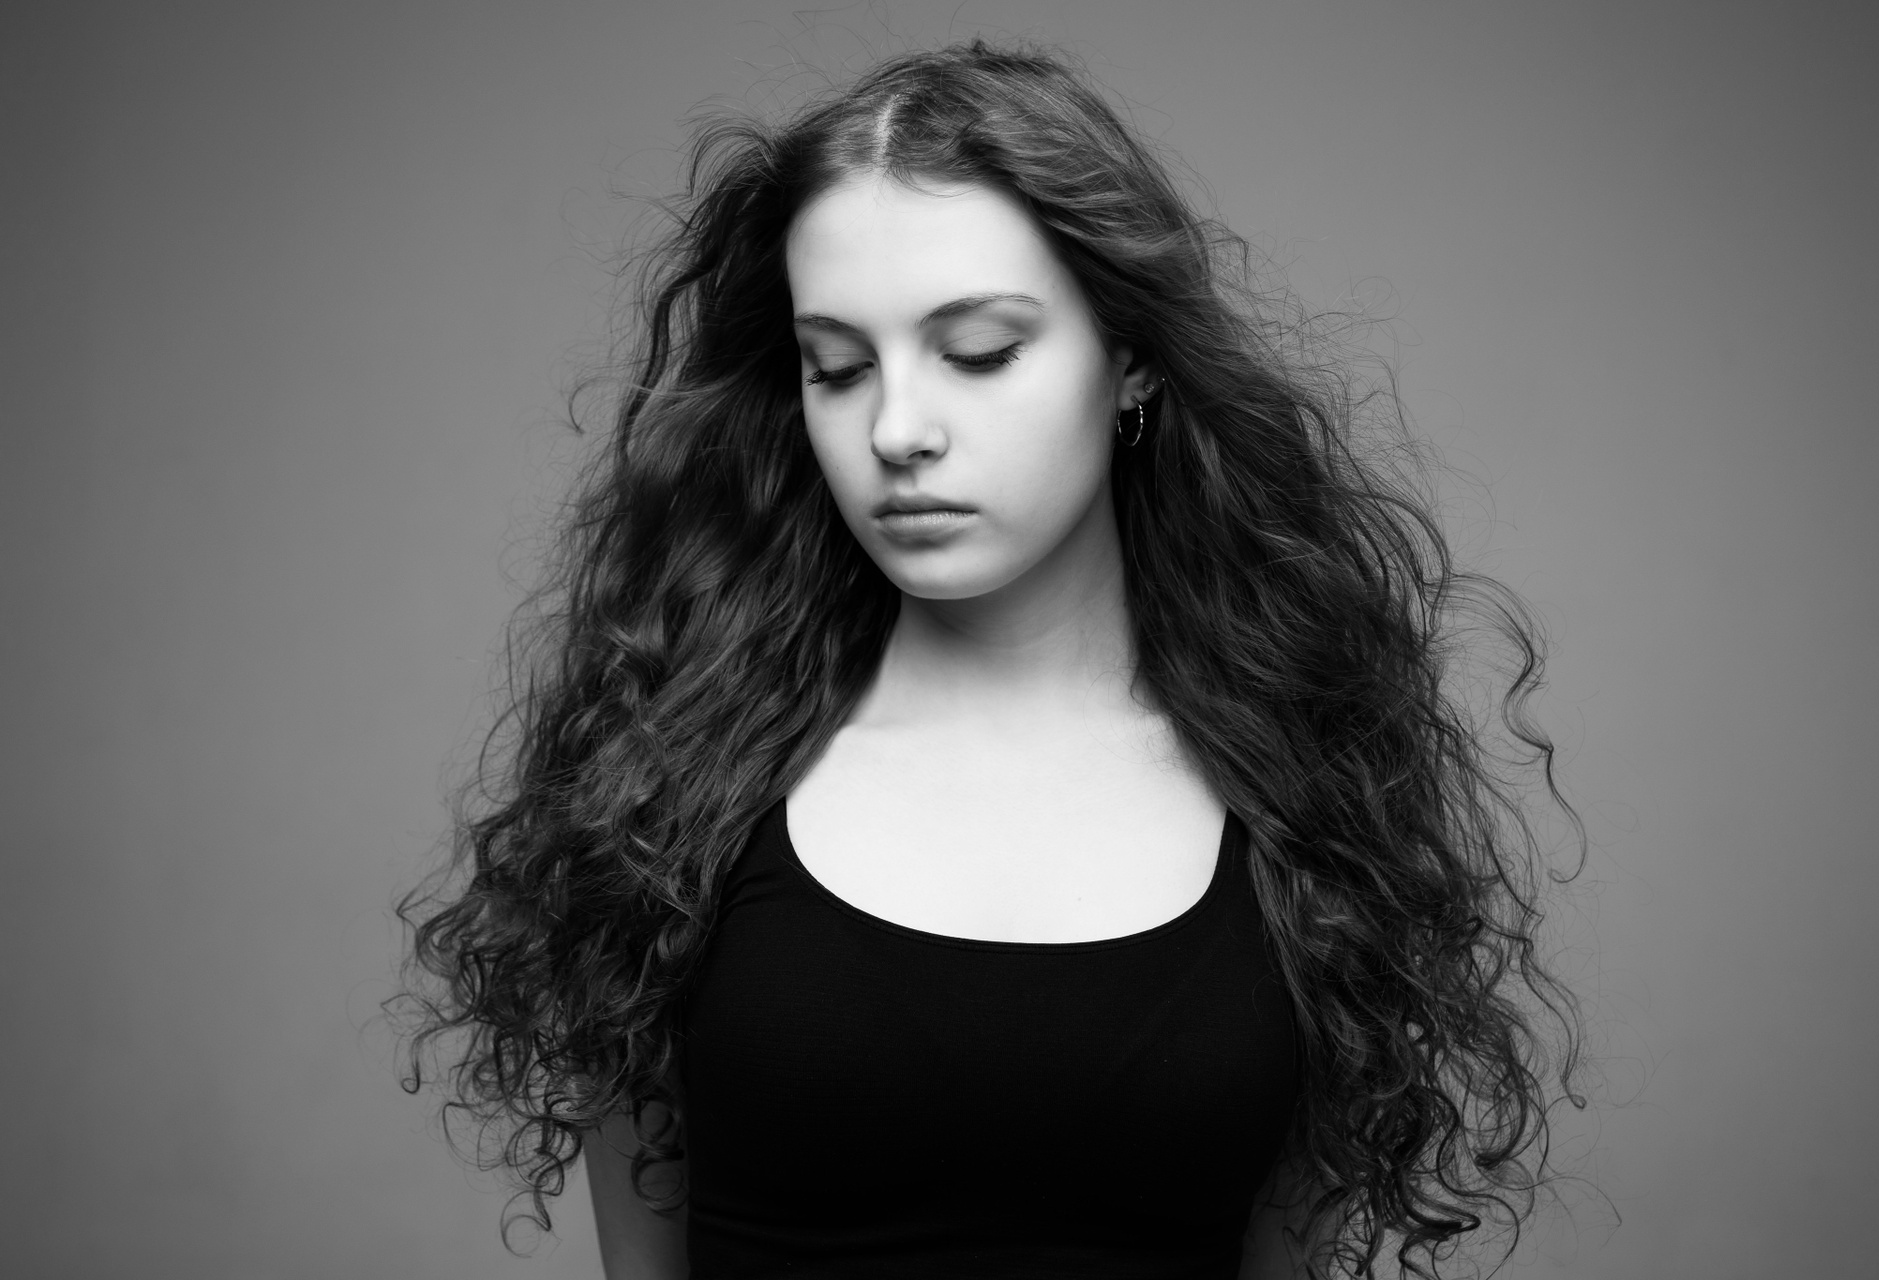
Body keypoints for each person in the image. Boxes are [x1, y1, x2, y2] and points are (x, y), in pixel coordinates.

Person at [397, 39, 1581, 1280]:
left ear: (1130, 355)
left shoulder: (1305, 799)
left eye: (978, 352)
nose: (898, 428)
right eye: (837, 367)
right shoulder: (665, 791)